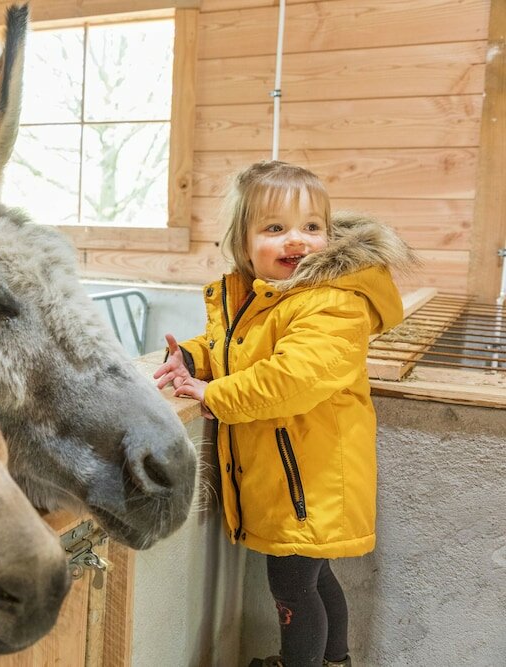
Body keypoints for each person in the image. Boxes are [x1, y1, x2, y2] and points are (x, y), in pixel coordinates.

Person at [153, 161, 414, 667]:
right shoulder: (266, 297)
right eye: (275, 228)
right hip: (301, 478)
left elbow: (293, 378)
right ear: (242, 241)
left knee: (293, 588)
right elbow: (235, 347)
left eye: (311, 227)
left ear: (329, 234)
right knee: (314, 581)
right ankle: (334, 661)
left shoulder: (331, 302)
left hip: (307, 483)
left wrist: (212, 396)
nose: (297, 240)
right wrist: (192, 357)